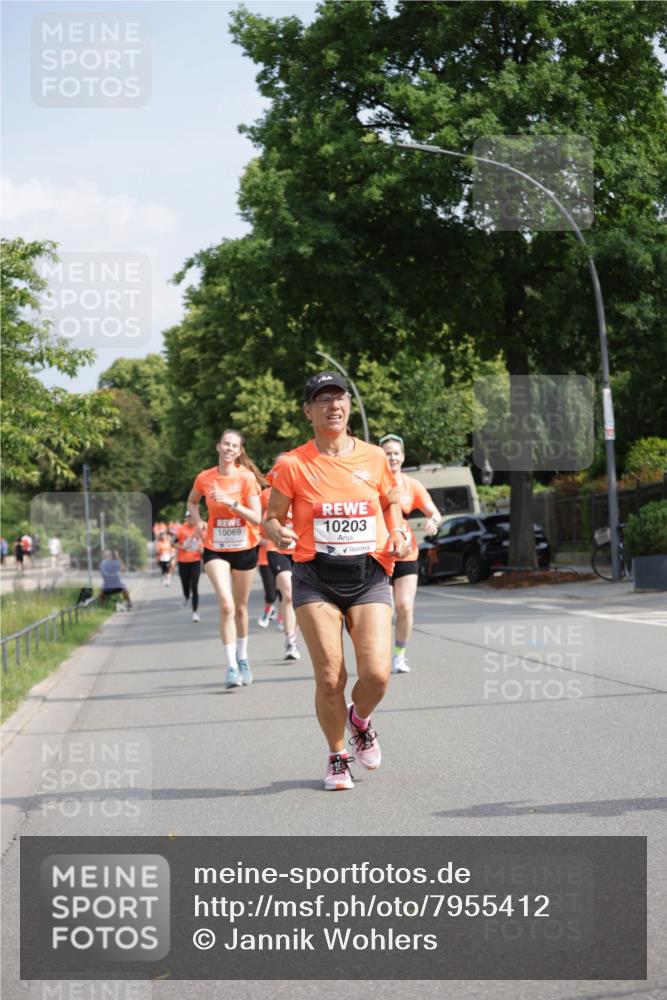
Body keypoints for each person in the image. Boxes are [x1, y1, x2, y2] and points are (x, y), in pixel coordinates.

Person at [264, 372, 408, 791]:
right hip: (315, 577)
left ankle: (359, 720)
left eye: (339, 397)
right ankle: (337, 755)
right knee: (330, 678)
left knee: (378, 674)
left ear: (348, 405)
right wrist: (278, 532)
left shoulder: (374, 458)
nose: (333, 406)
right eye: (322, 399)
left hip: (368, 574)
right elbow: (273, 517)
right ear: (308, 410)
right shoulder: (292, 464)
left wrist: (397, 531)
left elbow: (390, 505)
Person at [187, 429, 263, 688]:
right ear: (218, 446)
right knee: (227, 605)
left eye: (235, 446)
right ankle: (231, 665)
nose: (230, 449)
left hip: (245, 547)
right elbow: (192, 502)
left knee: (241, 607)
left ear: (239, 451)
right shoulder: (205, 478)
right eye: (226, 444)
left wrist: (232, 503)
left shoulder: (247, 478)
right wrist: (198, 522)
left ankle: (243, 658)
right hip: (215, 548)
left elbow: (257, 518)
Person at [380, 433, 442, 673]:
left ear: (403, 457)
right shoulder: (374, 483)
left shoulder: (411, 485)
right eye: (387, 453)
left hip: (406, 552)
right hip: (380, 554)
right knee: (385, 611)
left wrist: (433, 522)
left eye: (396, 453)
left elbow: (434, 512)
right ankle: (379, 656)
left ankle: (399, 655)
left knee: (405, 606)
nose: (392, 457)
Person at [175, 511, 203, 622]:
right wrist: (183, 547)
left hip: (195, 561)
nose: (191, 519)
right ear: (186, 518)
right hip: (183, 561)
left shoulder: (200, 530)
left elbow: (204, 548)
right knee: (185, 584)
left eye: (192, 517)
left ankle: (195, 612)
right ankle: (186, 596)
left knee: (194, 587)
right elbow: (173, 543)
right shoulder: (180, 529)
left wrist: (198, 549)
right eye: (189, 517)